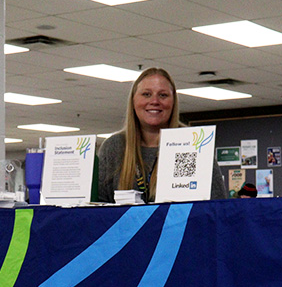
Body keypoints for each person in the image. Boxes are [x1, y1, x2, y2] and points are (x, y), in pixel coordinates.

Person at [97, 67, 226, 203]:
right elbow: (96, 207)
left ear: (173, 102)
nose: (155, 101)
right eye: (146, 94)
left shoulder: (194, 144)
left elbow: (218, 204)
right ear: (133, 101)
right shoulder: (113, 146)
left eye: (163, 95)